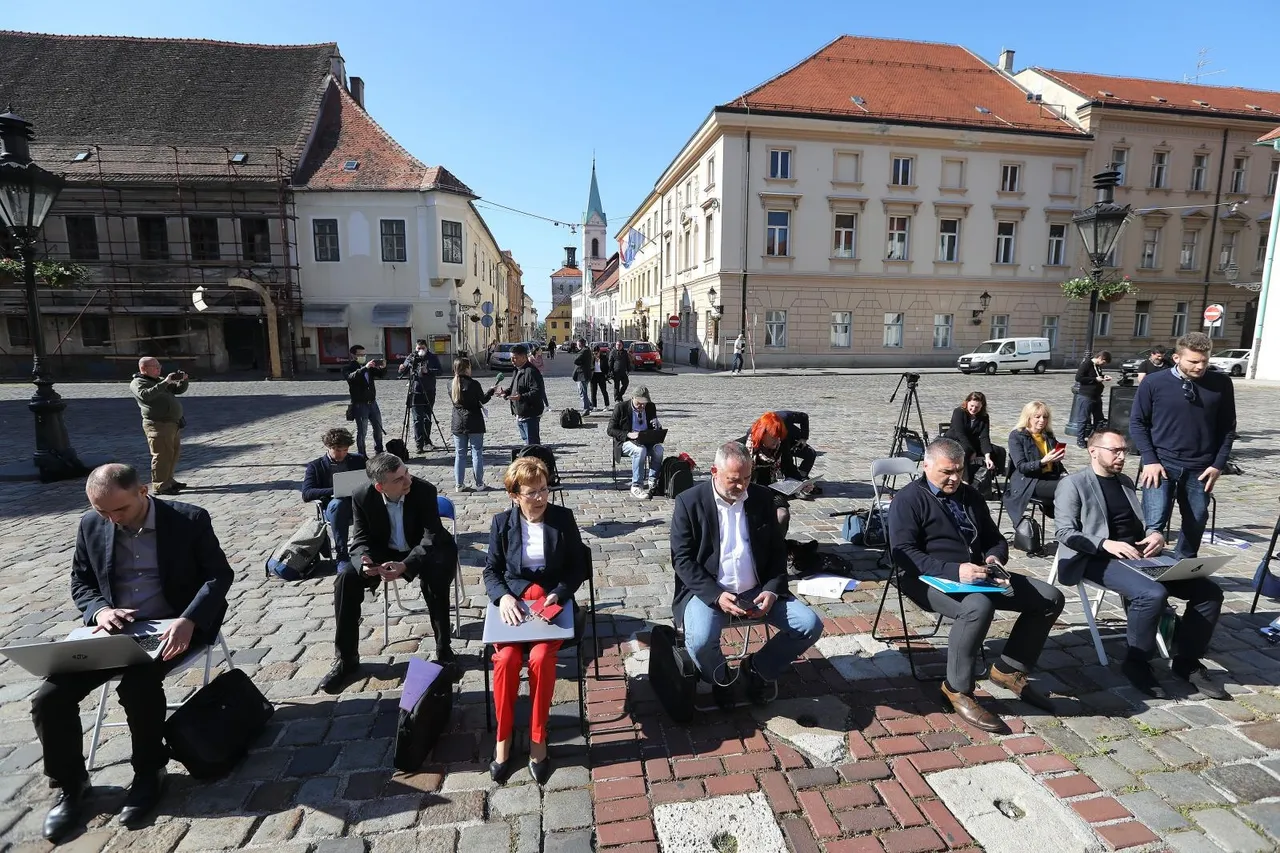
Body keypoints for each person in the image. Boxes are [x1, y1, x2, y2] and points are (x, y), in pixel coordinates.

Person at [31, 464, 232, 840]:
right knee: (49, 698)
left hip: (170, 625)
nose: (110, 519)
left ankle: (149, 770)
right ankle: (71, 786)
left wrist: (188, 619)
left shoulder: (188, 519)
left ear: (142, 491)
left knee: (138, 687)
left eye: (118, 510)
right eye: (101, 511)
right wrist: (100, 611)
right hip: (113, 630)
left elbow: (218, 575)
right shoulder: (92, 525)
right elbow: (81, 582)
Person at [889, 439, 1064, 730]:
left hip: (980, 574)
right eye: (947, 472)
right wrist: (955, 571)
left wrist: (995, 557)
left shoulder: (969, 494)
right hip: (926, 578)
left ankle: (1009, 669)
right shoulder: (908, 499)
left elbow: (994, 538)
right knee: (977, 607)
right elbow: (903, 554)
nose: (955, 478)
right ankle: (956, 688)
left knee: (1049, 598)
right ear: (926, 465)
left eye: (959, 470)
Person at [1054, 429, 1228, 700]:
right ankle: (1136, 662)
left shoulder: (1123, 481)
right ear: (1093, 451)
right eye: (1116, 451)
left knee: (1209, 592)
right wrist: (1105, 544)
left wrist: (1155, 534)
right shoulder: (1073, 484)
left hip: (1139, 555)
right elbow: (1064, 532)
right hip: (1095, 557)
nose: (1122, 456)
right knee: (1152, 594)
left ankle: (1187, 661)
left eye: (1124, 450)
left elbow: (1141, 522)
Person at [669, 441, 823, 709]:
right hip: (709, 591)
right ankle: (720, 677)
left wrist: (773, 589)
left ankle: (758, 668)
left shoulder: (761, 498)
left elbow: (777, 552)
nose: (742, 487)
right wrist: (716, 596)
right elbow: (682, 560)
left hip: (756, 589)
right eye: (734, 480)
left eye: (748, 478)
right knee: (700, 641)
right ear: (714, 471)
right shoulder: (689, 502)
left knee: (810, 625)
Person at [484, 457, 587, 784]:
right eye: (532, 493)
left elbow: (576, 567)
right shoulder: (502, 524)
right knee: (507, 660)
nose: (541, 498)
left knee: (542, 659)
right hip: (514, 608)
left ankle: (538, 737)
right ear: (514, 495)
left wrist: (558, 592)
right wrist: (504, 597)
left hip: (550, 608)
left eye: (544, 490)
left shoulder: (562, 519)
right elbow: (492, 571)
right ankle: (503, 737)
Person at [322, 453, 458, 692]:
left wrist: (406, 565)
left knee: (435, 575)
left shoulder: (423, 490)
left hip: (425, 549)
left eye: (406, 472)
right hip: (385, 550)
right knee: (345, 580)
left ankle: (444, 649)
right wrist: (364, 560)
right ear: (379, 486)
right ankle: (347, 659)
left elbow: (431, 537)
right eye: (399, 479)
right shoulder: (362, 495)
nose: (408, 481)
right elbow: (361, 538)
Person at [1131, 332, 1236, 559]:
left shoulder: (1221, 383)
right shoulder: (1153, 382)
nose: (1200, 367)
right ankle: (1148, 570)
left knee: (1197, 518)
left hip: (1201, 466)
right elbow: (1137, 423)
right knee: (1153, 523)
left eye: (1205, 361)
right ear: (1177, 358)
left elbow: (1228, 428)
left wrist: (1218, 464)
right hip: (1160, 462)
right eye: (1194, 361)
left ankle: (1184, 565)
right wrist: (1149, 460)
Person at [301, 428, 368, 572]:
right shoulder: (316, 466)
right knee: (338, 505)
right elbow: (306, 493)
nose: (341, 454)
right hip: (333, 507)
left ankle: (372, 550)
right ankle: (342, 555)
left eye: (345, 450)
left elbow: (370, 479)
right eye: (337, 450)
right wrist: (335, 490)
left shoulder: (358, 460)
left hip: (357, 504)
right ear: (328, 447)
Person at [129, 357, 189, 495]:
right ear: (144, 369)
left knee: (173, 453)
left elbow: (177, 390)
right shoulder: (138, 382)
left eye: (159, 366)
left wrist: (184, 380)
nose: (159, 369)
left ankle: (169, 480)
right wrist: (165, 382)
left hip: (172, 423)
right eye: (155, 367)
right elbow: (146, 395)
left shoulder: (158, 380)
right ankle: (160, 485)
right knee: (162, 455)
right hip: (157, 424)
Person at [1004, 401, 1066, 522]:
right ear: (1028, 418)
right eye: (1037, 417)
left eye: (1045, 417)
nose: (1042, 420)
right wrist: (1042, 462)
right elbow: (1021, 467)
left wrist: (1063, 471)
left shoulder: (1048, 435)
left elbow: (1056, 462)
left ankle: (1072, 524)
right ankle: (1065, 526)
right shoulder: (1017, 436)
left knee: (1078, 482)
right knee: (1068, 488)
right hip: (1029, 481)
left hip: (1049, 477)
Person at [607, 385, 664, 500]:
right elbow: (610, 430)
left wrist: (657, 427)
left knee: (659, 450)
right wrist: (628, 434)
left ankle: (653, 481)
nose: (642, 406)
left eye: (644, 403)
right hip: (626, 441)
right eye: (639, 403)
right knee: (640, 450)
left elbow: (654, 425)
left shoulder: (650, 407)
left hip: (646, 440)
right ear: (633, 398)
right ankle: (636, 485)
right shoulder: (621, 407)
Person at [743, 412, 794, 536]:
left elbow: (790, 468)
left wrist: (802, 483)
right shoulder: (744, 447)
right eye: (773, 436)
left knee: (782, 514)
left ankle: (778, 547)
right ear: (762, 434)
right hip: (749, 490)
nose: (777, 441)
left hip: (773, 489)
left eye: (779, 437)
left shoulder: (781, 445)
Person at [450, 357, 497, 492]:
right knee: (477, 453)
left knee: (460, 454)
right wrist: (491, 391)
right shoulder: (473, 384)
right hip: (474, 421)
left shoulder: (451, 384)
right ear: (466, 368)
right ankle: (479, 483)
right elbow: (483, 399)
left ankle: (459, 484)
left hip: (458, 422)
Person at [496, 344, 546, 446]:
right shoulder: (517, 370)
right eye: (511, 358)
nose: (512, 361)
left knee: (532, 444)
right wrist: (505, 392)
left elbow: (537, 392)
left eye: (515, 358)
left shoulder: (531, 371)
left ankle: (534, 460)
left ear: (524, 357)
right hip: (520, 412)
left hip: (530, 414)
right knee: (526, 441)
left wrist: (521, 397)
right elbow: (514, 388)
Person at [398, 339, 442, 453]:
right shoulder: (411, 357)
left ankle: (427, 441)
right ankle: (419, 444)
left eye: (423, 348)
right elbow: (403, 370)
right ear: (415, 348)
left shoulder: (432, 357)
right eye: (418, 348)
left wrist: (429, 371)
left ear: (426, 348)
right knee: (418, 419)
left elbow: (440, 371)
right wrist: (401, 368)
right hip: (415, 392)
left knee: (427, 417)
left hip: (429, 391)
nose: (420, 350)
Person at [344, 345, 386, 457]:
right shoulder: (349, 367)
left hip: (372, 402)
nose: (363, 356)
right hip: (360, 404)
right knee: (362, 431)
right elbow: (351, 377)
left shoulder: (368, 367)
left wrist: (382, 367)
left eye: (364, 354)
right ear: (353, 355)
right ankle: (362, 454)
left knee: (378, 428)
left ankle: (379, 450)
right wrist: (365, 368)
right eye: (360, 355)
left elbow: (381, 375)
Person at [945, 392, 995, 484]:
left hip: (971, 441)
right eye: (972, 406)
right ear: (967, 403)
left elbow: (984, 436)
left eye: (977, 407)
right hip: (955, 440)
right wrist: (973, 451)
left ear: (982, 407)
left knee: (997, 451)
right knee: (965, 451)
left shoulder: (984, 417)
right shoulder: (959, 412)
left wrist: (987, 456)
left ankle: (987, 478)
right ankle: (965, 480)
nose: (973, 409)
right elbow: (960, 433)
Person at [1073, 351, 1112, 447]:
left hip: (1096, 396)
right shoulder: (1087, 364)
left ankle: (1095, 439)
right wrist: (1095, 380)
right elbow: (1079, 378)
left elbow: (1095, 376)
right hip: (1086, 395)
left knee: (1099, 419)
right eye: (1104, 362)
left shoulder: (1098, 366)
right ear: (1100, 358)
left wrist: (1103, 377)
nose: (1104, 364)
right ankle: (1080, 440)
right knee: (1084, 418)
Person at [774, 410, 819, 489]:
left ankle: (802, 476)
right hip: (780, 446)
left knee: (810, 453)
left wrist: (803, 438)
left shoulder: (786, 417)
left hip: (794, 440)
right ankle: (793, 481)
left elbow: (804, 417)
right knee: (786, 463)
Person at [572, 338, 594, 415]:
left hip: (582, 375)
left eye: (577, 344)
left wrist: (578, 360)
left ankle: (586, 409)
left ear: (580, 344)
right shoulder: (586, 350)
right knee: (583, 391)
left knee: (582, 392)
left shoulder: (583, 351)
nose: (576, 346)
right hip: (585, 374)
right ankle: (589, 405)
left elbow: (576, 360)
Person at [590, 345, 611, 410]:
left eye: (596, 353)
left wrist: (607, 375)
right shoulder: (591, 358)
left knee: (604, 391)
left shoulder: (604, 358)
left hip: (601, 375)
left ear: (599, 352)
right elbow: (589, 367)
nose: (595, 354)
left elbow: (607, 367)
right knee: (593, 392)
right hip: (593, 376)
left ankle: (607, 405)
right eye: (594, 353)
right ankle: (594, 406)